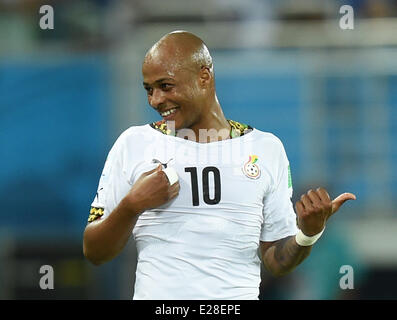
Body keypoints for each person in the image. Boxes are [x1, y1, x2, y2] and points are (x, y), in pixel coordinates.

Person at [83, 30, 356, 300]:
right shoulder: (134, 144)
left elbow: (276, 261)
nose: (156, 100)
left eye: (165, 86)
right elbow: (94, 252)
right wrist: (132, 205)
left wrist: (308, 234)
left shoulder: (266, 149)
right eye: (149, 90)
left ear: (204, 76)